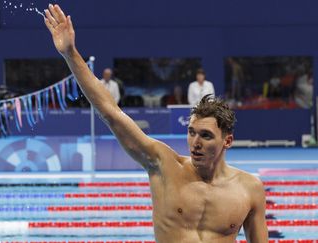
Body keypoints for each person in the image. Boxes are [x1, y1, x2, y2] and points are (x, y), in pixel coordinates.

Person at [43, 4, 268, 242]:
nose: (195, 142)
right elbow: (110, 112)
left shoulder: (250, 189)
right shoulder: (163, 165)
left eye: (206, 135)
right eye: (192, 132)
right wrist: (70, 53)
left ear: (228, 141)